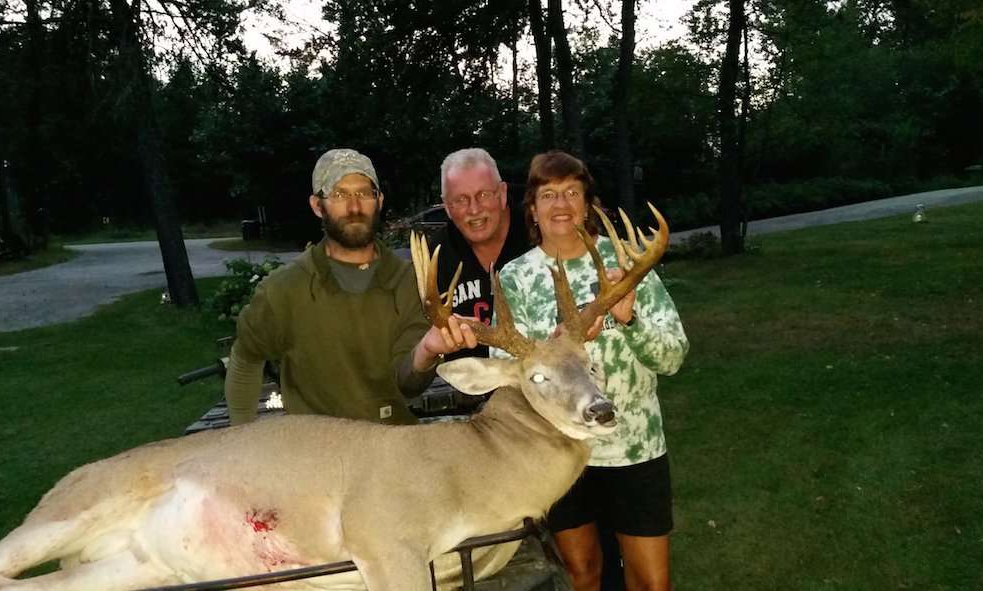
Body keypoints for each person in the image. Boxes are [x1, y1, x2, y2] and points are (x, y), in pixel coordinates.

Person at [493, 150, 689, 591]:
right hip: (559, 453)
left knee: (651, 581)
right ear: (533, 209)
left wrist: (630, 320)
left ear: (588, 204)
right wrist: (559, 340)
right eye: (548, 194)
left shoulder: (627, 266)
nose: (560, 204)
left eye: (571, 192)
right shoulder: (516, 278)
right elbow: (507, 372)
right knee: (583, 575)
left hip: (634, 446)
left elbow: (674, 356)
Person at [224, 148, 474, 426]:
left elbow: (407, 386)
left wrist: (426, 351)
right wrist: (241, 437)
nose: (355, 208)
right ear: (317, 205)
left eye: (364, 193)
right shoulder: (285, 288)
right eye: (340, 194)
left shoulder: (410, 283)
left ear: (378, 200)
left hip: (390, 445)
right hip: (315, 453)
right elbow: (246, 357)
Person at [428, 148, 531, 362]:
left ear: (502, 194)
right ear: (447, 207)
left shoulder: (537, 233)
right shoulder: (436, 255)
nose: (474, 210)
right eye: (460, 200)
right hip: (471, 385)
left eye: (483, 195)